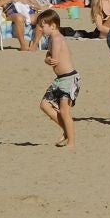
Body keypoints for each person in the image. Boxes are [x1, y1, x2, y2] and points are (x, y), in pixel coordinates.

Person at [36, 10, 80, 148]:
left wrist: (48, 59)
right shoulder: (51, 39)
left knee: (65, 111)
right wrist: (47, 58)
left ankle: (71, 142)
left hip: (69, 79)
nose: (41, 29)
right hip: (60, 79)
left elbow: (52, 59)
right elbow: (49, 57)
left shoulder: (56, 38)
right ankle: (67, 132)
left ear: (53, 26)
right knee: (44, 104)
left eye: (43, 26)